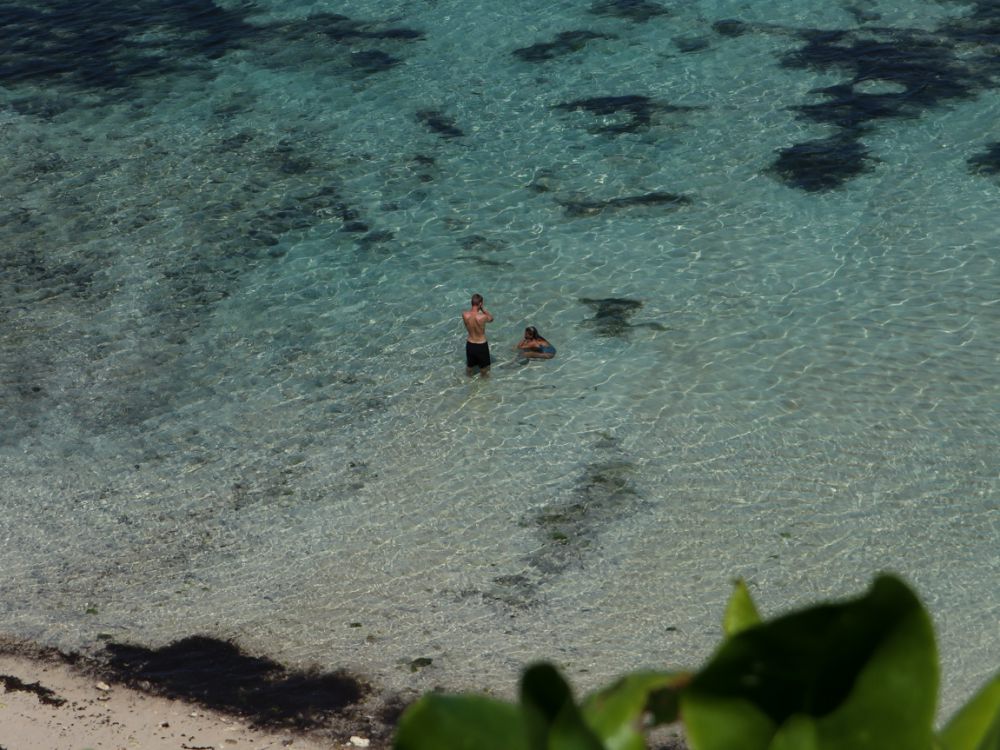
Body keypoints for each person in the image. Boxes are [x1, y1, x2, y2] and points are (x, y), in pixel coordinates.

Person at [462, 293, 494, 376]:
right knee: (484, 369)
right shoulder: (483, 317)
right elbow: (491, 319)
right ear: (480, 304)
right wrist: (483, 309)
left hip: (470, 344)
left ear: (471, 303)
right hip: (481, 345)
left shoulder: (464, 314)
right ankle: (484, 387)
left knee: (469, 367)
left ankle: (469, 384)